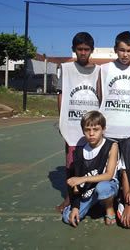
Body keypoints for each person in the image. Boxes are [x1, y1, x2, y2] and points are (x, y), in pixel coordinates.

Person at [56, 32, 101, 212]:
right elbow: (60, 95)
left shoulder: (99, 71)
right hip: (73, 125)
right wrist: (61, 120)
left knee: (94, 163)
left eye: (86, 49)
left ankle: (93, 197)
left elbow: (101, 96)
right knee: (72, 164)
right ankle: (70, 197)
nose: (83, 52)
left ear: (92, 50)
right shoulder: (66, 69)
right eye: (79, 49)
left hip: (93, 127)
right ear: (73, 49)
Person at [62, 111, 119, 227]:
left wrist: (82, 179)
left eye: (96, 129)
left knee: (103, 187)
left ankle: (109, 208)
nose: (91, 134)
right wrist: (75, 207)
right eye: (87, 130)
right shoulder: (79, 152)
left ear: (103, 130)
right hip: (88, 190)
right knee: (68, 218)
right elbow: (76, 185)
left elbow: (108, 175)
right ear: (83, 131)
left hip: (108, 185)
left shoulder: (111, 146)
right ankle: (95, 204)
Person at [98, 31, 130, 142]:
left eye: (129, 51)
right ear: (115, 49)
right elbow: (100, 96)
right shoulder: (104, 69)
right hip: (108, 132)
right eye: (122, 50)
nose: (125, 54)